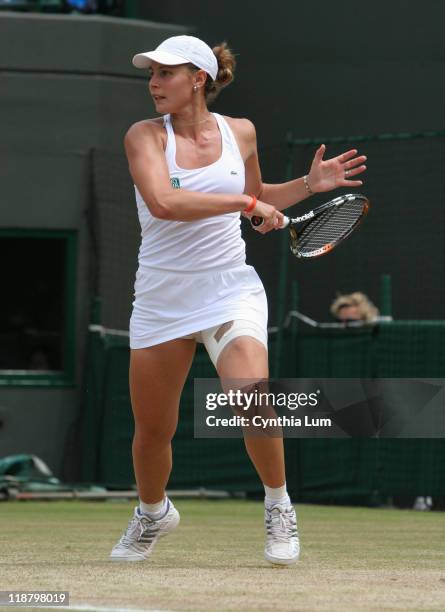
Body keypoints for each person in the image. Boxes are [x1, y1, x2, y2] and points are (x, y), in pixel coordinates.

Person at [109, 35, 367, 565]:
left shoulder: (240, 132)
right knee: (153, 433)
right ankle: (153, 513)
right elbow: (164, 202)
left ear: (198, 78)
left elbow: (258, 197)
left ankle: (279, 505)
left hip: (229, 287)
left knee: (251, 397)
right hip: (161, 295)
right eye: (151, 75)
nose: (154, 84)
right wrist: (245, 201)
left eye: (166, 74)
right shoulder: (143, 136)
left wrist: (306, 185)